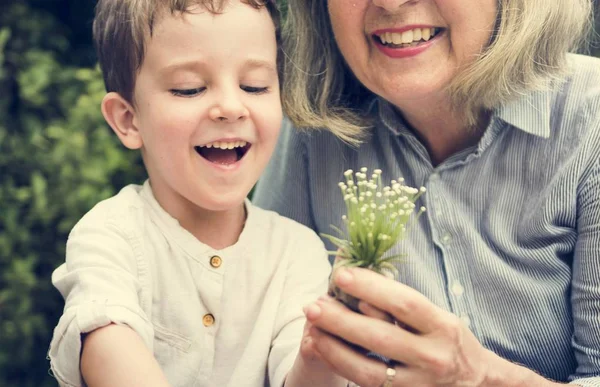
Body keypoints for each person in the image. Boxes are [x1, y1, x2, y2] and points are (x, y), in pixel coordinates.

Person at [253, 0, 600, 386]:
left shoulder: (591, 119)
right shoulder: (311, 130)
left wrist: (481, 377)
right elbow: (261, 358)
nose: (390, 2)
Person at [47, 1, 347, 386]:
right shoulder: (110, 236)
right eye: (189, 89)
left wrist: (327, 344)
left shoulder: (296, 253)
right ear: (128, 119)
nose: (230, 107)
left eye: (254, 85)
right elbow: (107, 341)